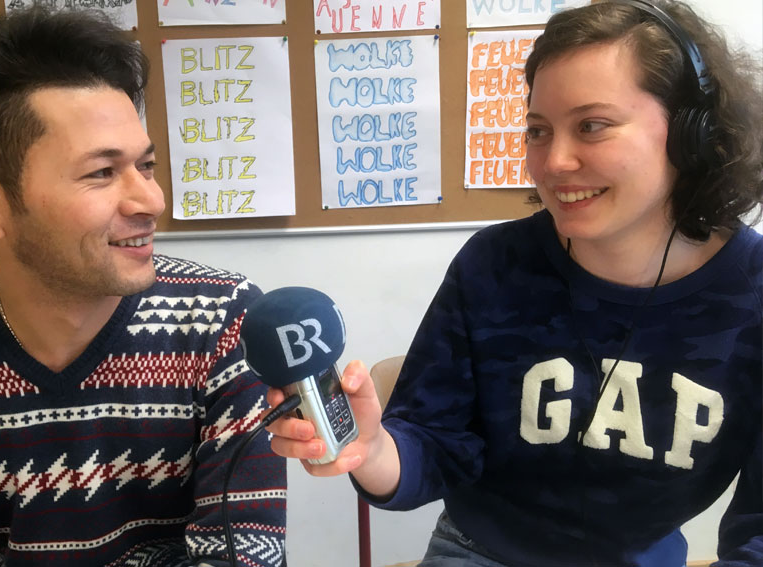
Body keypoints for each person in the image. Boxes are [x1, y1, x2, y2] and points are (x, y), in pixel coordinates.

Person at [266, 1, 762, 566]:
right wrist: (372, 448)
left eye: (592, 126)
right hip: (477, 550)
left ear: (691, 133)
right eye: (538, 130)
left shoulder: (752, 294)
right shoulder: (494, 266)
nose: (555, 161)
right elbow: (433, 446)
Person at [0, 7, 286, 567]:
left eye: (146, 165)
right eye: (101, 172)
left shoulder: (221, 321)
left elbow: (242, 556)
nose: (151, 201)